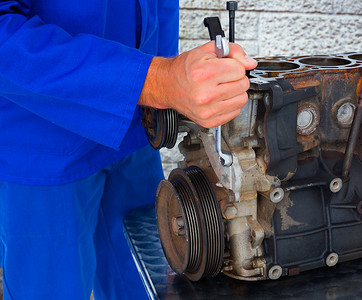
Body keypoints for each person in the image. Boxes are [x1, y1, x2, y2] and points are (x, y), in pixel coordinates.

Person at [0, 0, 257, 299]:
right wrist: (158, 80)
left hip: (134, 129)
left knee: (149, 287)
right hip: (41, 144)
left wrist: (169, 86)